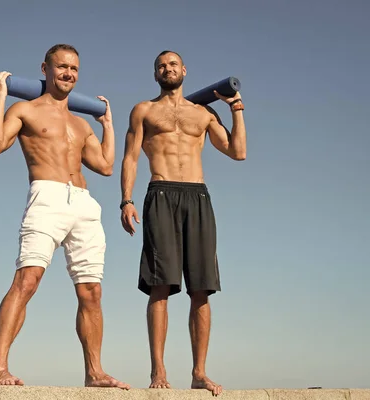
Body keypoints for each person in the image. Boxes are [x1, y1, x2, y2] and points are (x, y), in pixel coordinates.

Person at [0, 43, 129, 390]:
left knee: (92, 292)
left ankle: (95, 373)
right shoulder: (25, 109)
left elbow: (106, 166)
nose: (68, 73)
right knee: (27, 279)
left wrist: (107, 124)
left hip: (84, 203)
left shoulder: (80, 123)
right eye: (61, 67)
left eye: (74, 69)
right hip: (46, 197)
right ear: (45, 69)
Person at [119, 50, 247, 396]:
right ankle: (158, 369)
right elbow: (130, 156)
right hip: (160, 193)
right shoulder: (144, 110)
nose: (167, 69)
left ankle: (199, 372)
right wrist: (126, 200)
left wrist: (235, 108)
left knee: (201, 289)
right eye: (162, 65)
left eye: (173, 64)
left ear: (184, 70)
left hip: (198, 195)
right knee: (160, 285)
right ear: (155, 74)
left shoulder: (203, 113)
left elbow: (238, 152)